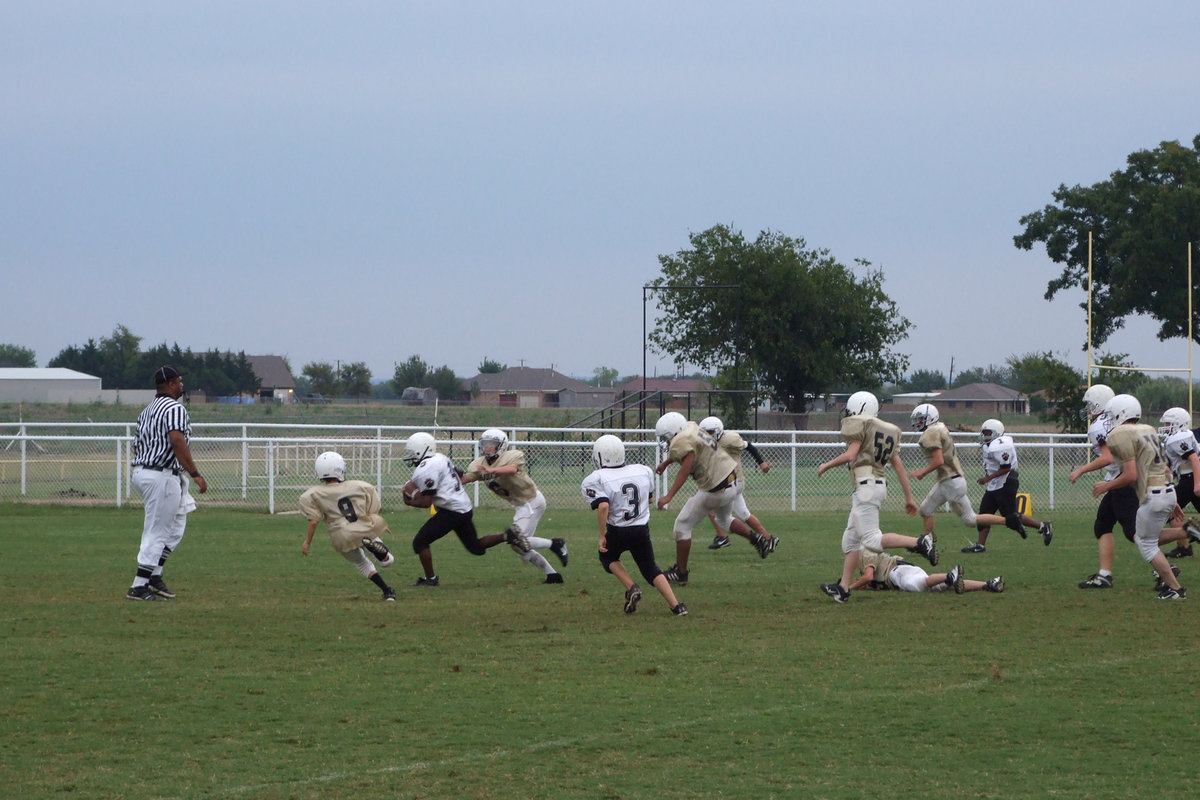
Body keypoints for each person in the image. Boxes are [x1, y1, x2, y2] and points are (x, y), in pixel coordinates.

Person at [815, 390, 933, 604]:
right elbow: (899, 467)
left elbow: (851, 455)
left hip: (866, 486)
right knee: (850, 540)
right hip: (876, 486)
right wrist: (908, 497)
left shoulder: (863, 427)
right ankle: (843, 589)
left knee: (871, 539)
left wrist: (826, 465)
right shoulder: (883, 430)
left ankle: (919, 542)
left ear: (859, 409)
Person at [654, 411, 772, 586]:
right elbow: (691, 450)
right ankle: (757, 539)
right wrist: (666, 463)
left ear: (674, 432)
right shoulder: (693, 427)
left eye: (666, 437)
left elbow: (685, 468)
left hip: (715, 489)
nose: (666, 441)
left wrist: (668, 496)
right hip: (731, 481)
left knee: (682, 526)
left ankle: (681, 572)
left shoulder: (681, 441)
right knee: (724, 521)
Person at [402, 431, 530, 587]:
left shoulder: (426, 468)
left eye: (411, 452)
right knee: (475, 547)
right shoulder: (440, 457)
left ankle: (431, 579)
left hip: (452, 511)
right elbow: (459, 472)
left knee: (420, 542)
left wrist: (409, 500)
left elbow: (426, 502)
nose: (410, 456)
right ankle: (507, 535)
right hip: (463, 507)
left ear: (420, 450)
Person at [126, 365, 207, 601]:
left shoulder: (147, 410)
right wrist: (195, 473)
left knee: (177, 524)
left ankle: (153, 575)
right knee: (157, 530)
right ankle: (139, 586)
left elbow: (138, 443)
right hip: (161, 474)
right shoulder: (174, 408)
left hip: (148, 471)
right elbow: (177, 440)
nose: (182, 385)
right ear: (171, 384)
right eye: (179, 381)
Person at [1094, 394, 1187, 600]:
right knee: (1149, 537)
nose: (1110, 419)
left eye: (1111, 415)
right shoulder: (1148, 429)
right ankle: (1187, 532)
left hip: (1153, 494)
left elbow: (1131, 475)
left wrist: (1106, 486)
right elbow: (1162, 468)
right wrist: (1174, 500)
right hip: (1166, 489)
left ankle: (1176, 589)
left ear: (1121, 413)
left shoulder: (1119, 434)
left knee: (1146, 543)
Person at [583, 434, 688, 616]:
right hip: (641, 529)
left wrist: (601, 536)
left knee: (608, 557)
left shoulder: (596, 478)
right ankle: (676, 606)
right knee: (650, 568)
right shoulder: (642, 470)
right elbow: (650, 499)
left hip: (617, 529)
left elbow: (603, 505)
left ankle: (632, 587)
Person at [461, 428, 568, 584]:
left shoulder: (512, 456)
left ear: (501, 446)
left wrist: (493, 470)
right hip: (521, 505)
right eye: (485, 444)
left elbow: (512, 469)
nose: (487, 448)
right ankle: (553, 576)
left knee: (517, 538)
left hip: (532, 500)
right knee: (519, 546)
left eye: (492, 444)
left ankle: (556, 544)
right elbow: (466, 478)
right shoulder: (480, 464)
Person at [908, 403, 1023, 545]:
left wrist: (922, 472)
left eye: (921, 419)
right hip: (947, 480)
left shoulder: (930, 433)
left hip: (952, 482)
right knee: (925, 510)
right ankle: (929, 543)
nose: (917, 422)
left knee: (970, 519)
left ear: (930, 418)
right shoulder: (939, 427)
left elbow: (938, 460)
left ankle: (1010, 520)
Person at [299, 451, 397, 601]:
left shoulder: (313, 494)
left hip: (340, 535)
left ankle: (387, 591)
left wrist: (307, 543)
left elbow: (314, 521)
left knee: (361, 563)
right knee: (388, 561)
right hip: (361, 528)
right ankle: (382, 555)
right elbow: (373, 508)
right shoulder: (359, 486)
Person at [960, 418, 1053, 553]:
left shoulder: (1000, 445)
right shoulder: (991, 444)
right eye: (984, 433)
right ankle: (980, 545)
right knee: (984, 514)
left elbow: (1006, 467)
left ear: (996, 433)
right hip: (995, 484)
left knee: (1010, 516)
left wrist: (987, 478)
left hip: (1006, 482)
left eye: (988, 433)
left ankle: (1043, 526)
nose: (985, 436)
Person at [697, 415, 779, 554]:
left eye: (710, 432)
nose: (707, 435)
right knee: (744, 514)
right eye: (705, 432)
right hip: (727, 482)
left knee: (708, 505)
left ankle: (722, 537)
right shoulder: (706, 442)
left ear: (717, 431)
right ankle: (769, 538)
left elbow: (749, 446)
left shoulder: (729, 439)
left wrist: (761, 463)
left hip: (733, 482)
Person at [847, 549, 1005, 595]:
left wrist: (848, 589)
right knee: (941, 587)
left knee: (919, 585)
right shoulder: (864, 555)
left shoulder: (865, 552)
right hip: (901, 572)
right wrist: (863, 585)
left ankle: (950, 575)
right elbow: (870, 579)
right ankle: (989, 584)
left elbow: (868, 576)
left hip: (898, 572)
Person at [1157, 407, 1200, 559]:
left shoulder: (1178, 437)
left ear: (1180, 424)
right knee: (1172, 510)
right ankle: (1184, 546)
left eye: (1170, 423)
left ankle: (1187, 540)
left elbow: (1194, 459)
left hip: (1190, 479)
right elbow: (1172, 466)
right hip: (1188, 478)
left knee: (1169, 509)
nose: (1167, 426)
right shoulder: (1177, 437)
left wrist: (1197, 484)